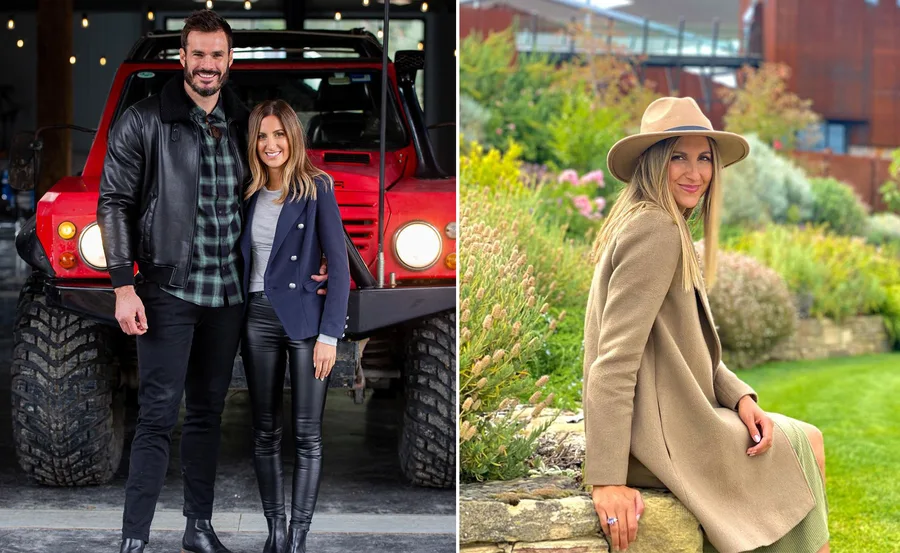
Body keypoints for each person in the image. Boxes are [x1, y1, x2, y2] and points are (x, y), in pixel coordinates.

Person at [97, 12, 328, 553]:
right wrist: (123, 285)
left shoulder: (246, 123)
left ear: (230, 60)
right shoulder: (144, 120)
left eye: (216, 55)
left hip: (228, 297)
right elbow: (114, 202)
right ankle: (134, 538)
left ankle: (197, 528)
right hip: (167, 290)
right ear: (182, 58)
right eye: (197, 54)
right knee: (157, 417)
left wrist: (312, 264)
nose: (207, 64)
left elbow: (283, 196)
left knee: (207, 415)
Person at [583, 97, 829, 553]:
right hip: (662, 440)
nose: (694, 173)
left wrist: (739, 397)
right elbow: (613, 362)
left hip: (671, 424)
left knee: (801, 441)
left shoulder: (657, 222)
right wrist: (607, 479)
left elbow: (687, 344)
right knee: (806, 443)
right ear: (653, 162)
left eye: (704, 159)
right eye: (678, 157)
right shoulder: (655, 229)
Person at [239, 99, 350, 553]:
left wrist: (330, 335)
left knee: (307, 435)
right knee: (265, 433)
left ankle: (299, 537)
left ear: (293, 137)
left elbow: (338, 265)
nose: (270, 145)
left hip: (305, 323)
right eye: (262, 136)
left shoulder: (316, 187)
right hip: (256, 318)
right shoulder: (247, 191)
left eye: (278, 135)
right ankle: (276, 531)